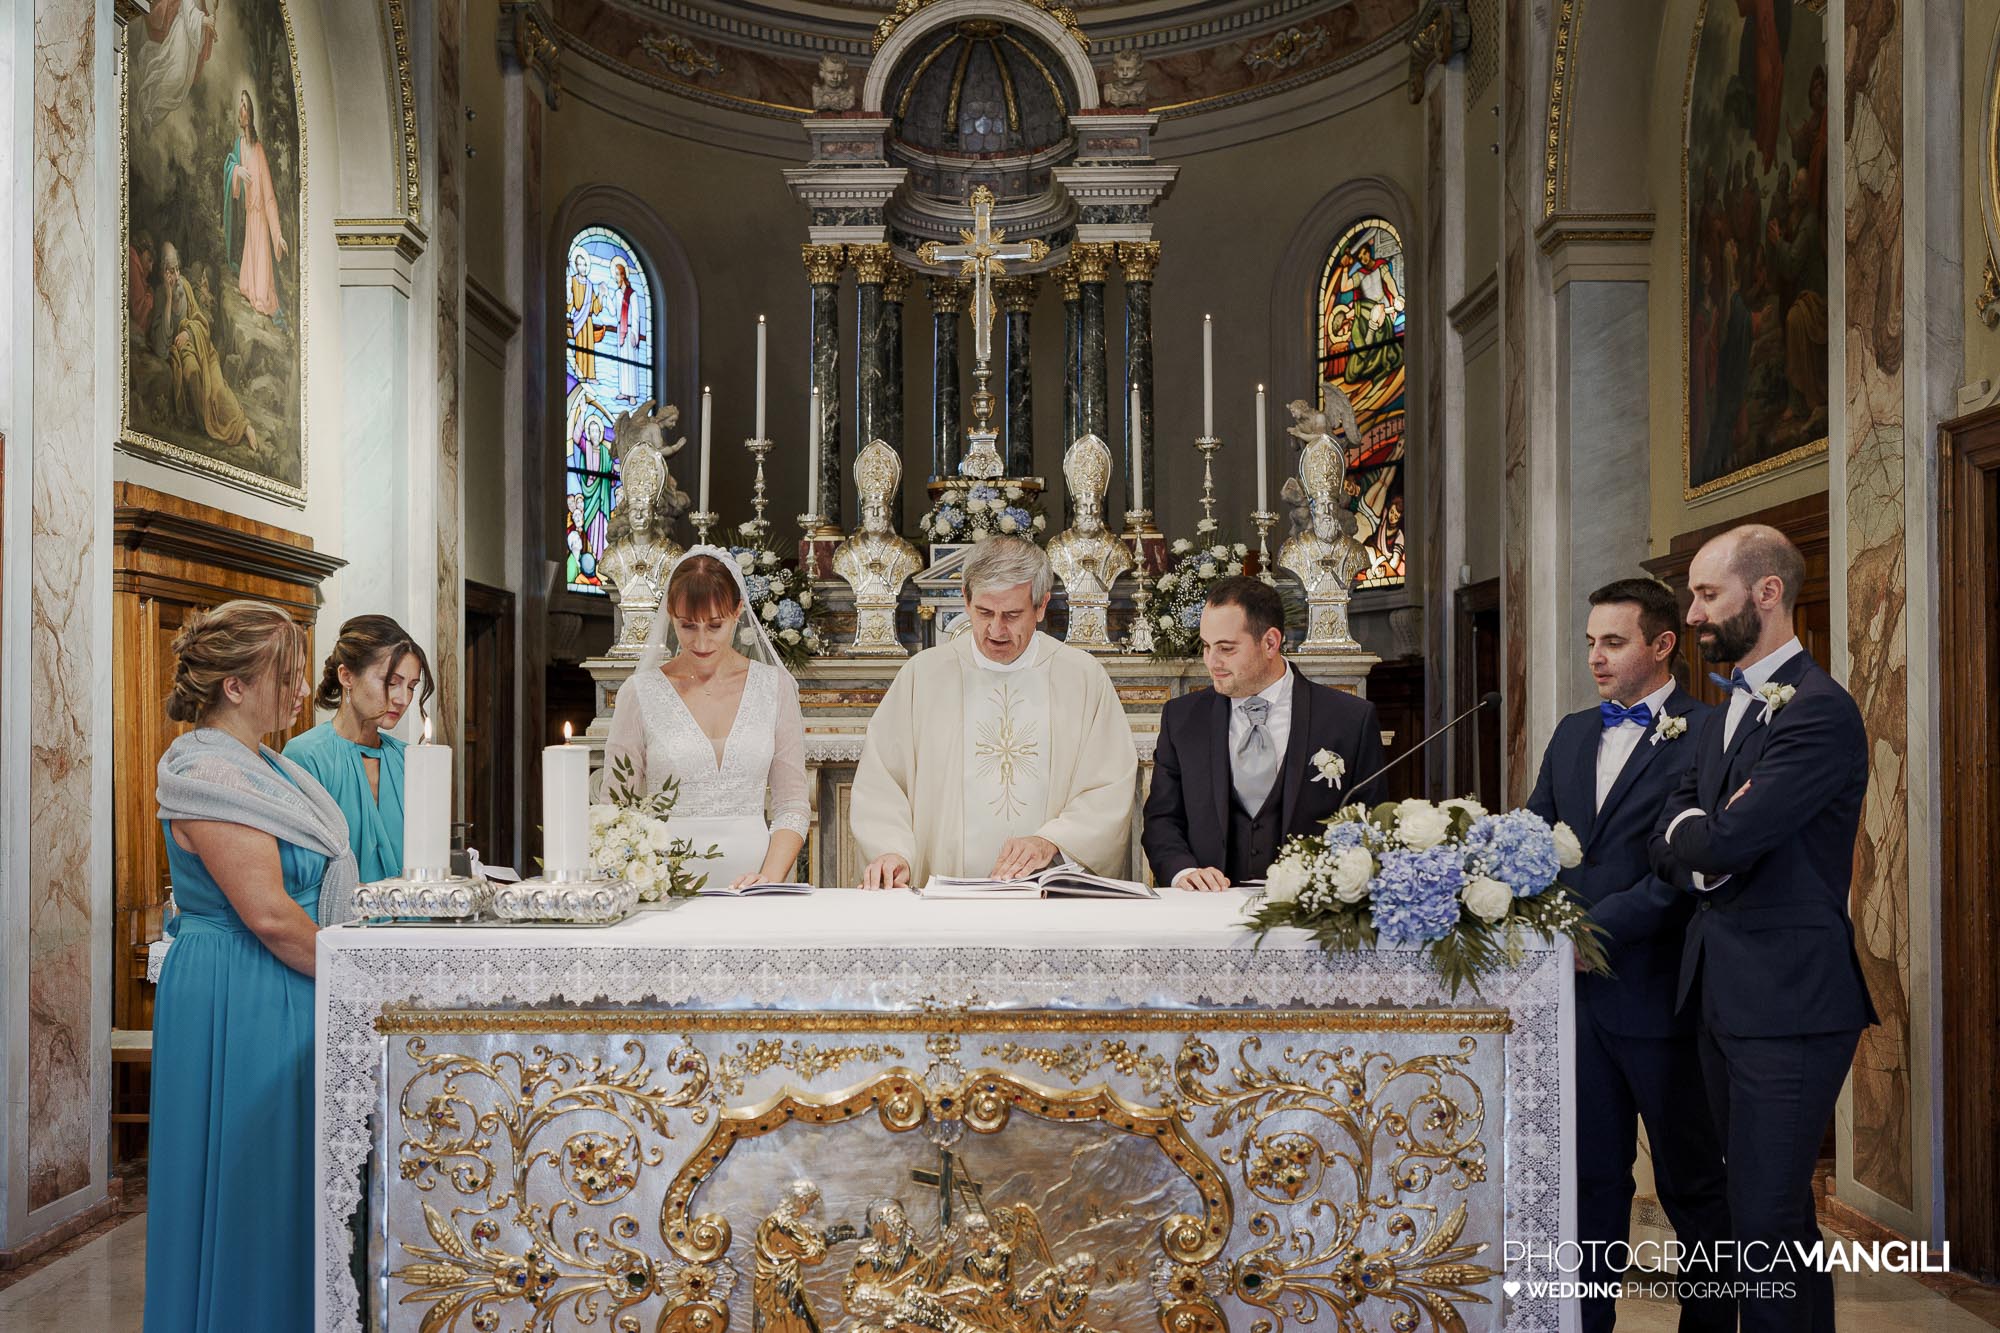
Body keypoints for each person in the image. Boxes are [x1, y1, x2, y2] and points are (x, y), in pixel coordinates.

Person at [1649, 525, 1877, 1333]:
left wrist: (1706, 837)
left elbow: (1726, 839)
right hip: (1719, 992)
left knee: (1764, 1217)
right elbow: (1670, 824)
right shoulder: (1718, 716)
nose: (1694, 612)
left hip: (1792, 1003)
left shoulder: (1819, 712)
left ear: (1768, 593)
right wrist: (1703, 835)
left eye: (1708, 594)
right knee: (1766, 1217)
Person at [145, 600, 361, 1332]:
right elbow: (268, 912)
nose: (301, 691)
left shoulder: (263, 765)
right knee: (251, 1187)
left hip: (282, 984)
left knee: (287, 1190)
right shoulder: (206, 767)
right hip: (243, 990)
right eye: (287, 675)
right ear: (235, 685)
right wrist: (358, 978)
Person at [1524, 578, 1731, 1333]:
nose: (1596, 658)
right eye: (1590, 642)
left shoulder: (1706, 732)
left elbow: (1685, 870)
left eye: (1613, 642)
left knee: (1694, 1187)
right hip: (1574, 1004)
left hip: (1663, 993)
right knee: (1590, 1183)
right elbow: (1531, 838)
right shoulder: (1575, 732)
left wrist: (1593, 936)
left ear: (1662, 644)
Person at [852, 537, 1136, 889]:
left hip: (1046, 894)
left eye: (1012, 615)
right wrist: (893, 851)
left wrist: (1054, 840)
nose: (996, 630)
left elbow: (1107, 786)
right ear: (966, 599)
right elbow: (882, 781)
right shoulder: (923, 676)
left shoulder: (1082, 677)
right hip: (944, 896)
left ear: (1042, 606)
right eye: (984, 612)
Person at [1143, 575, 1385, 890]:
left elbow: (1370, 824)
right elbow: (1161, 819)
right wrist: (1183, 871)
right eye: (1205, 646)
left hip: (1309, 910)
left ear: (1270, 642)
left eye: (1226, 648)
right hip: (1206, 908)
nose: (1211, 661)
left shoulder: (1350, 719)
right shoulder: (1182, 718)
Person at [602, 546, 809, 886]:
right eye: (687, 626)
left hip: (757, 886)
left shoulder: (776, 688)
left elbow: (792, 805)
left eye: (715, 625)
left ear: (738, 612)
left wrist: (768, 879)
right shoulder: (639, 695)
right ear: (670, 615)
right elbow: (618, 810)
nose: (701, 641)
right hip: (665, 889)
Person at [285, 614, 436, 883]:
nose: (403, 699)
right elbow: (300, 872)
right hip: (335, 921)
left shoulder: (410, 759)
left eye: (411, 686)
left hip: (411, 921)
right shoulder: (306, 756)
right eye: (391, 682)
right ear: (347, 676)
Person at [224, 88, 287, 319]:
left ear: (249, 113)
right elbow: (229, 168)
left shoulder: (258, 150)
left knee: (262, 297)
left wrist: (278, 234)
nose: (241, 110)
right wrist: (237, 171)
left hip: (260, 221)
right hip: (249, 219)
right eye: (239, 105)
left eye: (243, 105)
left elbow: (269, 196)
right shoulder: (238, 146)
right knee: (247, 287)